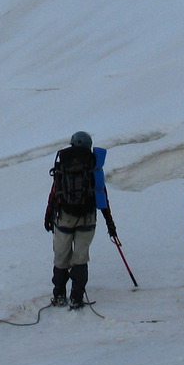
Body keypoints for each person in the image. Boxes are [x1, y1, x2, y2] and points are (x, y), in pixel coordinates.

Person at [43, 131, 117, 308]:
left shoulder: (64, 163)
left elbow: (55, 193)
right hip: (88, 218)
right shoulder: (94, 165)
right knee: (80, 258)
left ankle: (59, 295)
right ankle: (76, 298)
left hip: (64, 217)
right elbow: (102, 196)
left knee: (61, 258)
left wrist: (48, 215)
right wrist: (110, 222)